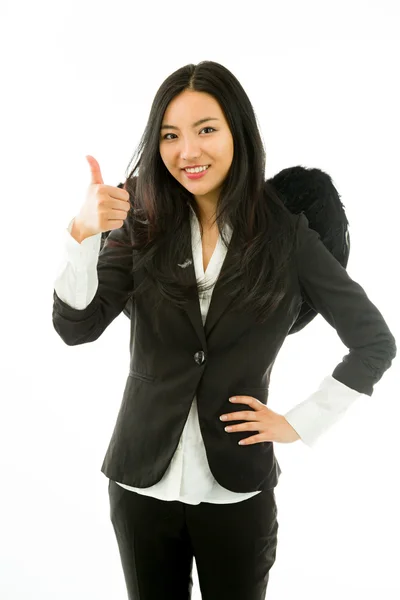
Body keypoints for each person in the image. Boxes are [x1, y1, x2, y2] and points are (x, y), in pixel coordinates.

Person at [52, 60, 397, 600]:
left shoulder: (286, 235)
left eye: (206, 129)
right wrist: (83, 234)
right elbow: (76, 326)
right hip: (141, 480)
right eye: (170, 135)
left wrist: (299, 423)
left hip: (237, 489)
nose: (187, 152)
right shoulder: (140, 211)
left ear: (239, 130)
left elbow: (375, 342)